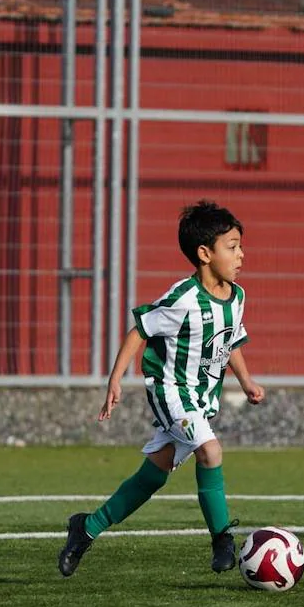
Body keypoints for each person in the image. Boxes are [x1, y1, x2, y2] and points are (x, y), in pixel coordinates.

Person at [59, 200, 265, 577]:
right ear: (205, 253)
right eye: (232, 246)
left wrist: (246, 380)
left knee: (152, 477)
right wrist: (116, 378)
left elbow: (229, 341)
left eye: (240, 246)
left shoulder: (237, 296)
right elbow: (140, 329)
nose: (241, 255)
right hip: (171, 391)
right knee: (211, 450)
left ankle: (85, 528)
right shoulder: (183, 298)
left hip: (202, 399)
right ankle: (221, 538)